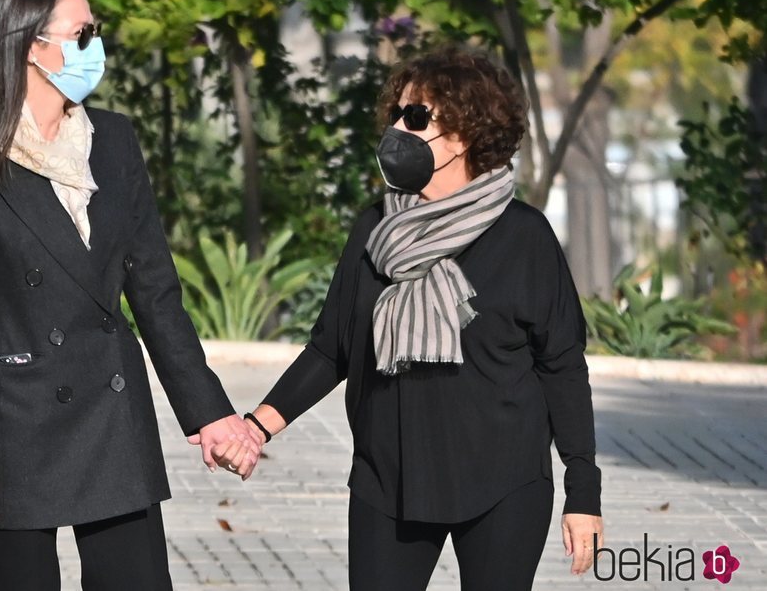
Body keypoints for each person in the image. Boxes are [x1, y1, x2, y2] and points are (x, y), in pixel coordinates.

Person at [216, 45, 604, 590]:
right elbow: (333, 349)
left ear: (465, 134)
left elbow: (562, 366)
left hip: (503, 482)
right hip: (389, 479)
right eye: (396, 114)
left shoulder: (524, 236)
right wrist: (257, 428)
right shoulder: (376, 229)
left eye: (416, 117)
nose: (398, 128)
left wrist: (582, 491)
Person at [0, 0, 261, 591]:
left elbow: (156, 292)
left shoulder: (112, 141)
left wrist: (209, 413)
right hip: (14, 423)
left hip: (111, 419)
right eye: (83, 32)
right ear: (32, 45)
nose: (94, 45)